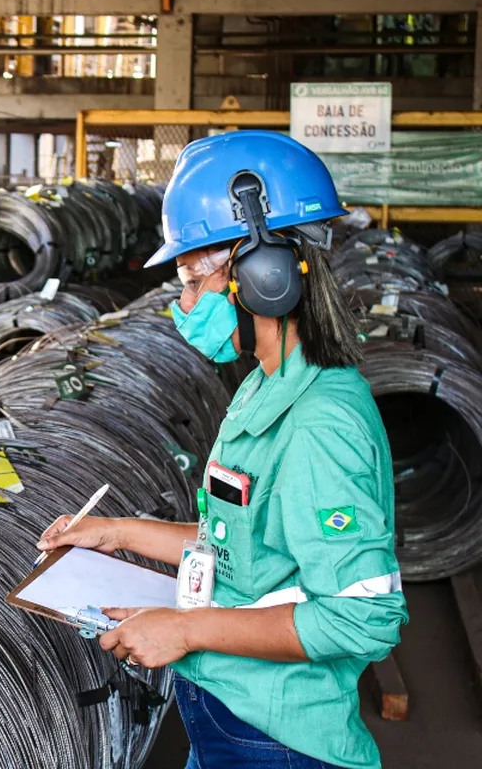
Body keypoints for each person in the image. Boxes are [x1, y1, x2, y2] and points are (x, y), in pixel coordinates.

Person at [37, 132, 407, 769]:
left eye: (191, 279)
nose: (183, 304)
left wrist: (184, 629)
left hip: (281, 742)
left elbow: (360, 618)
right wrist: (115, 533)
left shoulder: (321, 422)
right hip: (229, 715)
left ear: (262, 276)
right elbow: (241, 546)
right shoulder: (267, 384)